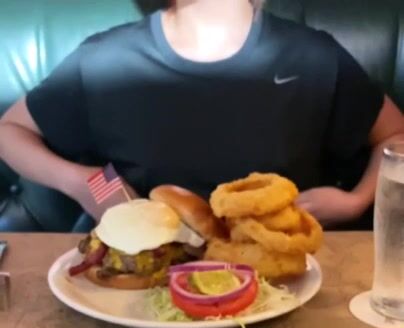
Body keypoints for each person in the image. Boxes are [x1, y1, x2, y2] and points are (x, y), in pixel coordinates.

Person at [0, 0, 403, 227]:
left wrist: (354, 201)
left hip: (281, 277)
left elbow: (395, 137)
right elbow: (10, 131)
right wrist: (88, 182)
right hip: (143, 279)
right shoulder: (103, 60)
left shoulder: (314, 56)